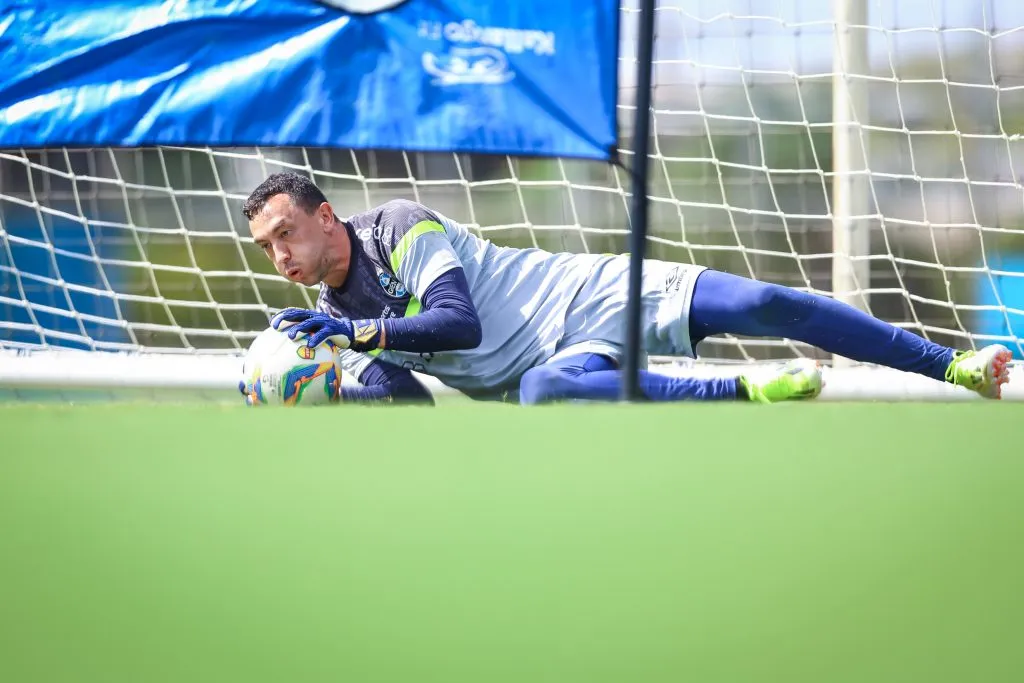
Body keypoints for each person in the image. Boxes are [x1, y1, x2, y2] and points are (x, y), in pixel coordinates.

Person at [238, 172, 1012, 405]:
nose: (280, 254)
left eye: (285, 232)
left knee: (763, 304)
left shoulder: (397, 226)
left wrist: (360, 338)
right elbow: (406, 401)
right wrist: (331, 392)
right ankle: (744, 388)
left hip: (589, 294)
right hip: (551, 367)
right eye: (267, 246)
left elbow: (458, 323)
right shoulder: (331, 318)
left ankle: (952, 365)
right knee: (543, 391)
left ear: (325, 215)